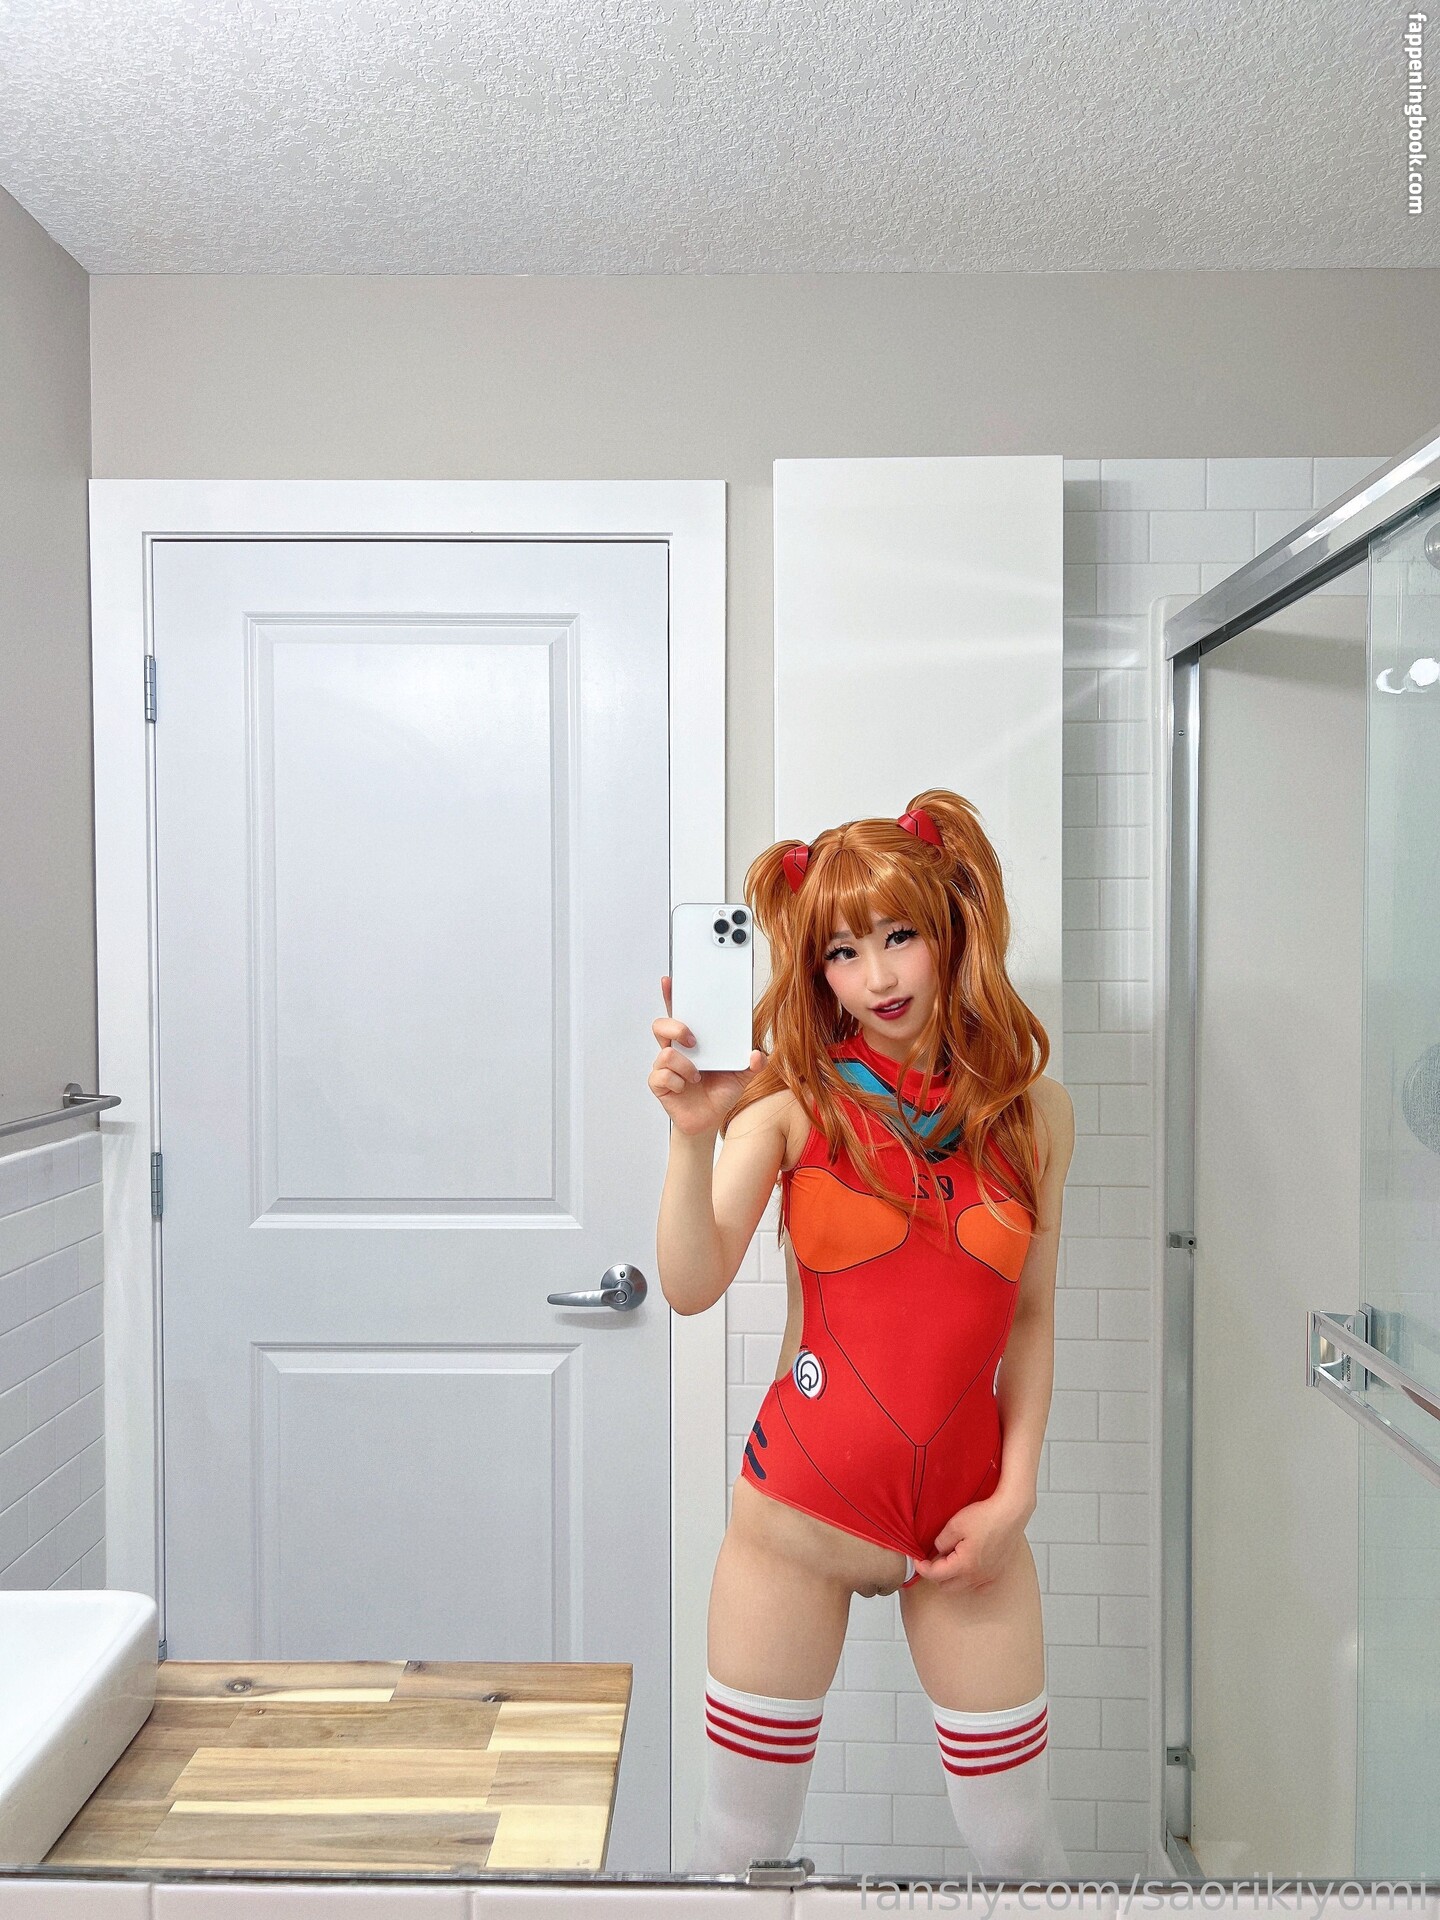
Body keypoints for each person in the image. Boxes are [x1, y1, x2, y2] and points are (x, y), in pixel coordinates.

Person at [649, 789, 1074, 1878]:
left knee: (1017, 1846)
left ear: (950, 931)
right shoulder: (789, 1103)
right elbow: (690, 1285)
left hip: (971, 1530)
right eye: (843, 952)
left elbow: (1031, 1314)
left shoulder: (1034, 1114)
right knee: (742, 1849)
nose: (877, 977)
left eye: (898, 937)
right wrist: (693, 1139)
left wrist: (1017, 1496)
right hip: (796, 1520)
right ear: (817, 971)